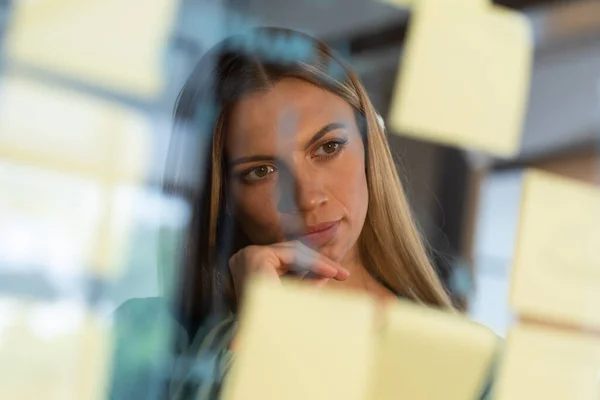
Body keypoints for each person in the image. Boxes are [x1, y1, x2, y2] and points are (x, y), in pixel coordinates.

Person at [110, 27, 482, 400]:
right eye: (261, 171)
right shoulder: (145, 340)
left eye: (329, 147)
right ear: (223, 196)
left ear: (370, 149)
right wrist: (253, 333)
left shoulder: (469, 360)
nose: (307, 198)